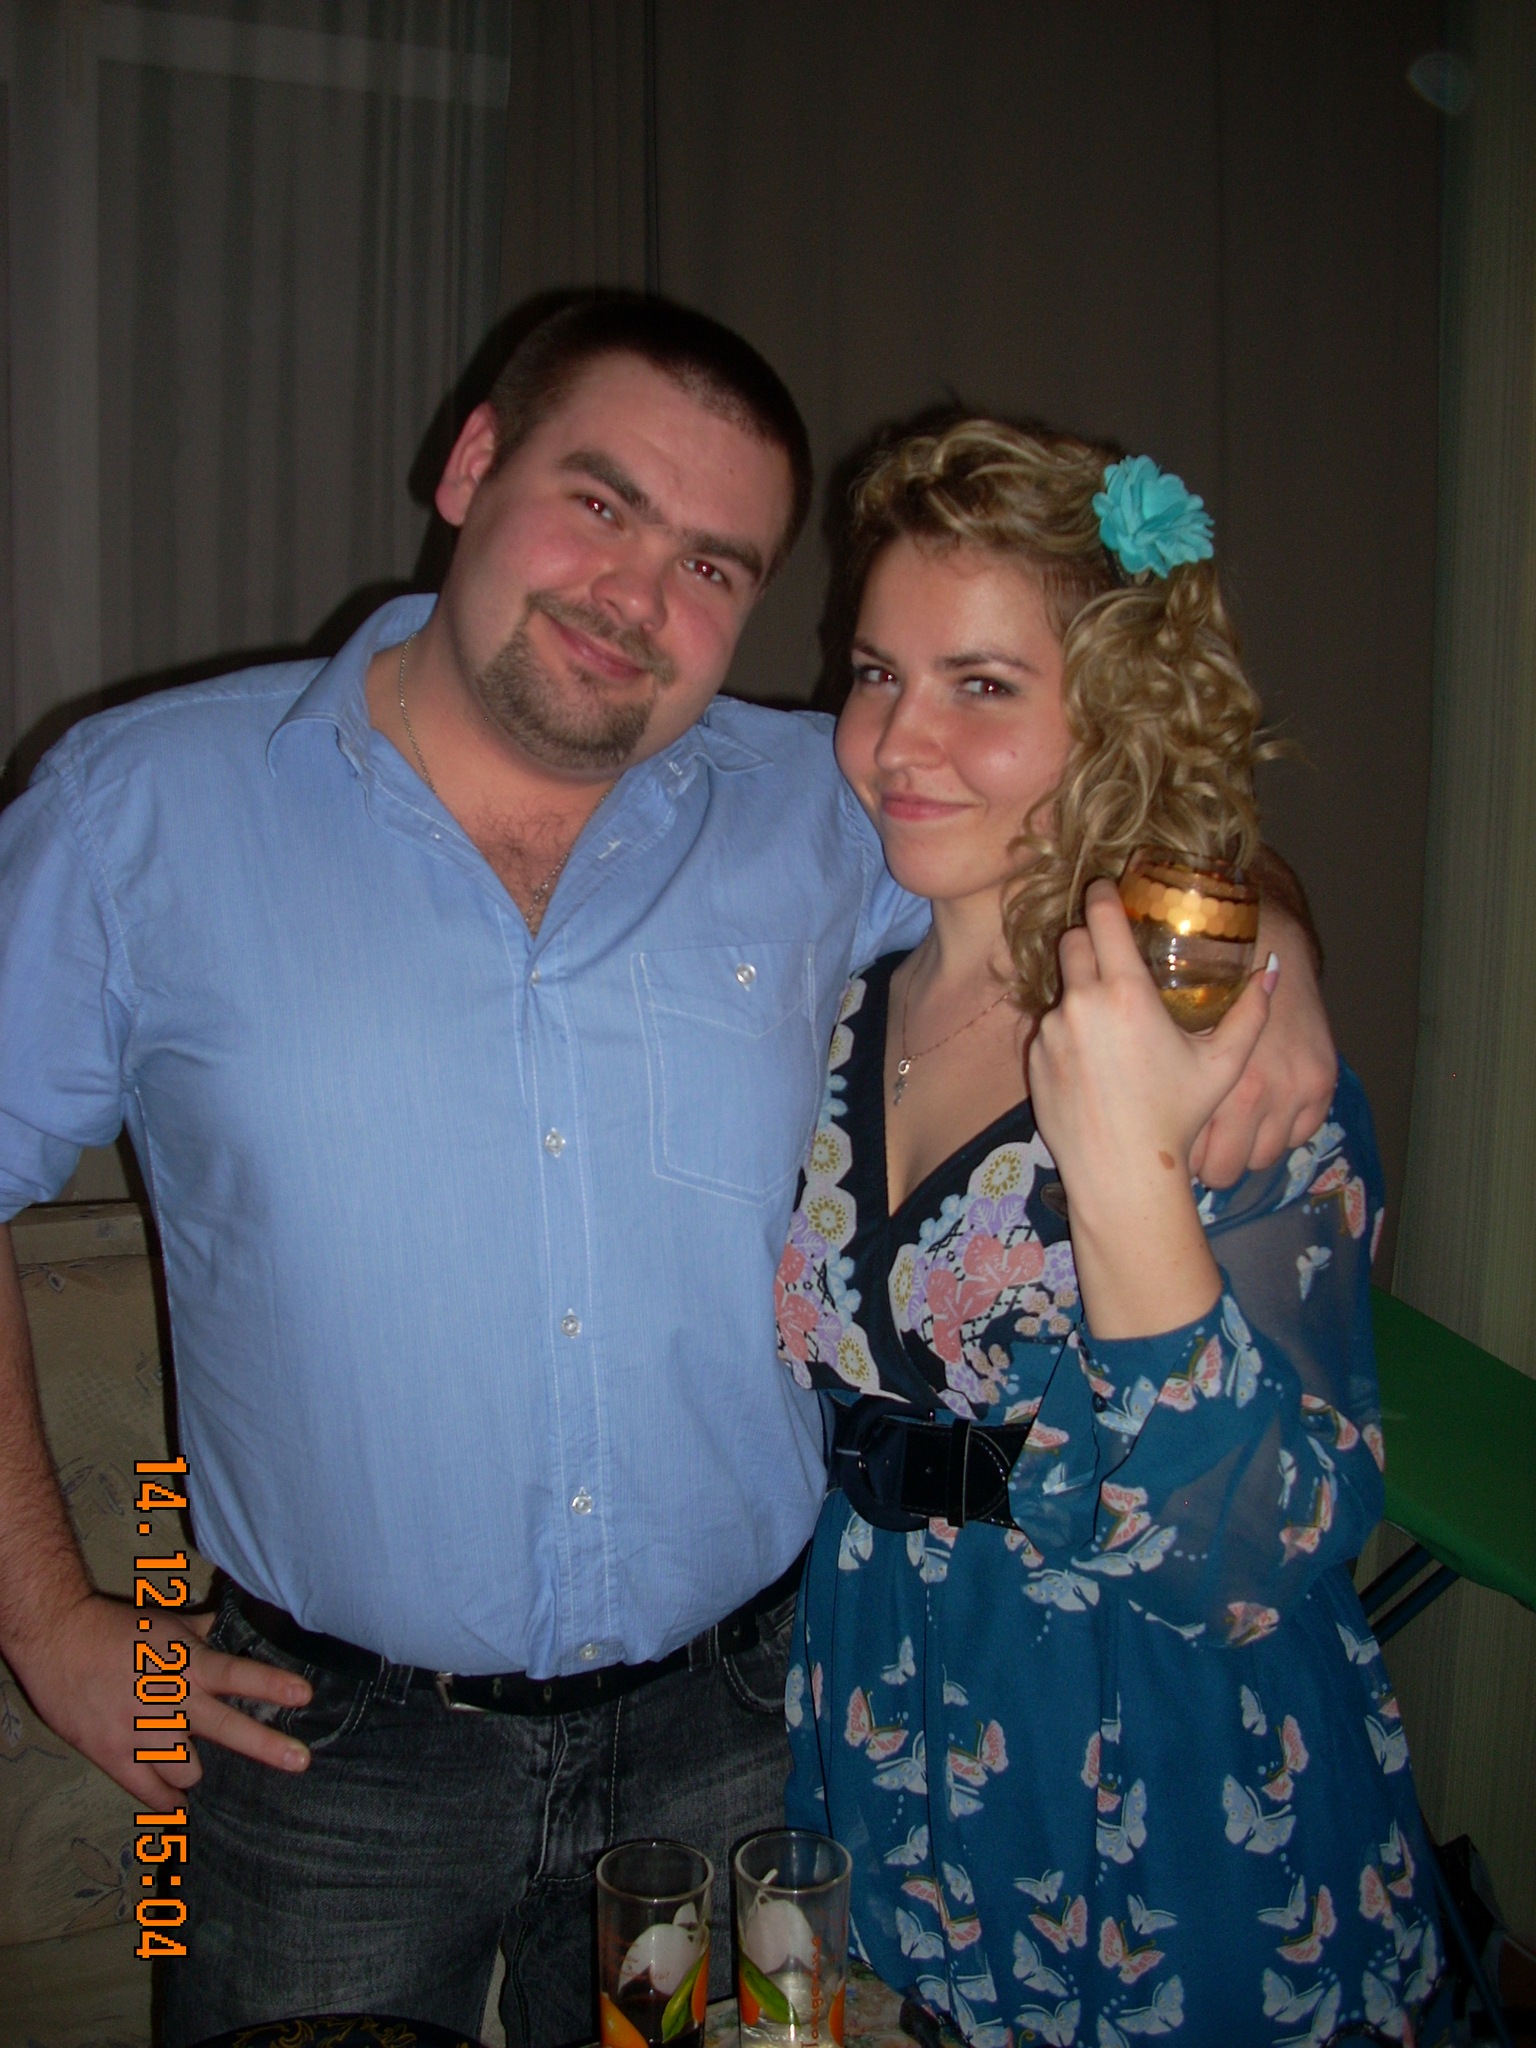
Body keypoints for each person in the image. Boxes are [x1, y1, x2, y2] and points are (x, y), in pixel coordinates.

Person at [0, 299, 1334, 2048]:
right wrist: (46, 1617)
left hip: (744, 1731)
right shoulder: (140, 810)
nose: (637, 595)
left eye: (713, 565)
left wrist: (1270, 928)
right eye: (600, 503)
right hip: (315, 1759)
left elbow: (1085, 812)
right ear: (472, 464)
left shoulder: (830, 805)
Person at [776, 418, 1447, 2046]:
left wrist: (1130, 1172)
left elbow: (1263, 1551)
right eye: (876, 674)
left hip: (1157, 1766)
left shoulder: (1220, 1042)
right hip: (877, 1721)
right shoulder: (827, 1007)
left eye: (982, 684)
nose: (900, 742)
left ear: (1118, 713)